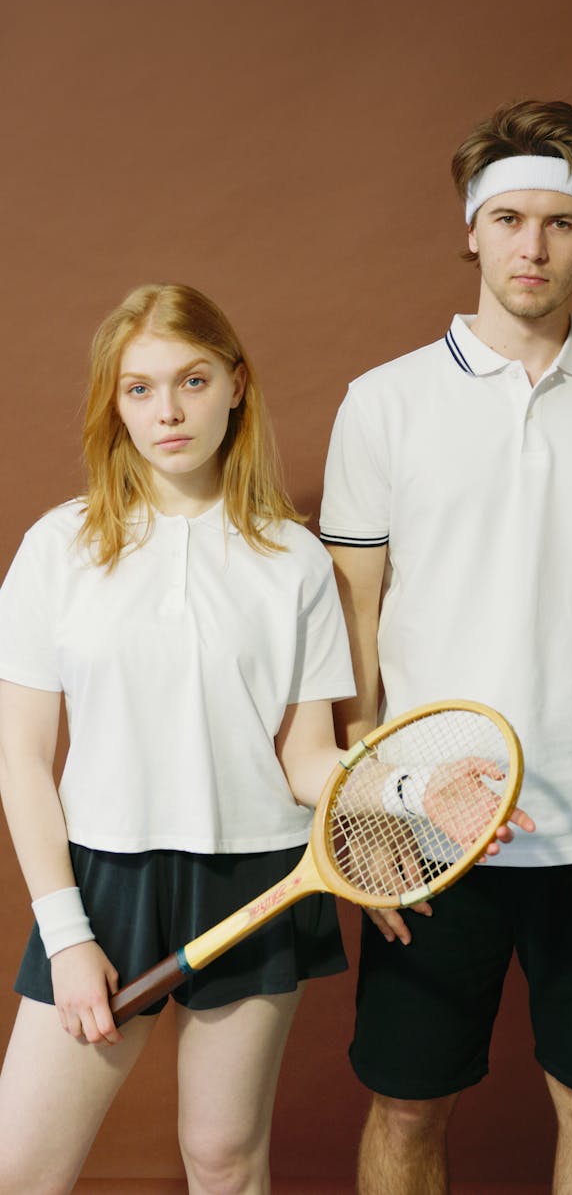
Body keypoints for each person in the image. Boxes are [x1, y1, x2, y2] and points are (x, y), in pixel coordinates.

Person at [320, 100, 572, 1195]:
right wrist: (362, 810)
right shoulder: (384, 403)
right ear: (471, 228)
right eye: (508, 218)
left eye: (559, 223)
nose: (532, 246)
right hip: (428, 813)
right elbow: (351, 617)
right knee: (407, 1105)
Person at [0, 282, 365, 1195]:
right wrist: (68, 932)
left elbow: (306, 758)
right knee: (20, 1170)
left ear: (236, 384)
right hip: (100, 883)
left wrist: (404, 797)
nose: (167, 410)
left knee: (225, 1159)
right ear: (113, 403)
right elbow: (19, 760)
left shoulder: (296, 559)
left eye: (193, 380)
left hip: (255, 878)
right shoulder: (59, 548)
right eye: (139, 388)